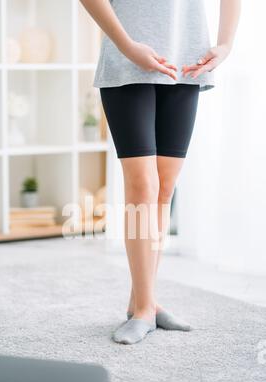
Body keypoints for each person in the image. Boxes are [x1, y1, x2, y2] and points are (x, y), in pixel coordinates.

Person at [80, 0, 241, 345]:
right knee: (142, 186)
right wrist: (126, 45)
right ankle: (143, 310)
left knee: (165, 188)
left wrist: (225, 44)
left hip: (187, 61)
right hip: (128, 57)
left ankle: (143, 301)